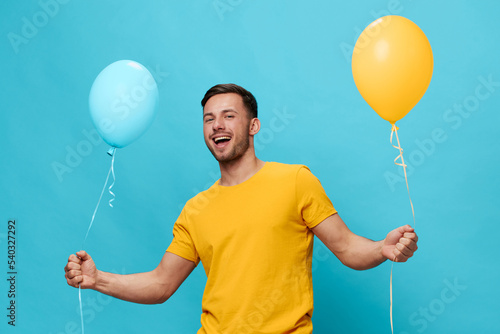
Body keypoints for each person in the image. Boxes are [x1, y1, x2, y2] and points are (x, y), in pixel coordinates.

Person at [65, 83, 418, 333]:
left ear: (253, 126)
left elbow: (346, 247)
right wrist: (98, 280)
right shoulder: (195, 210)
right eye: (208, 118)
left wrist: (381, 249)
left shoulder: (295, 180)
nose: (217, 124)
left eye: (228, 115)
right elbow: (161, 284)